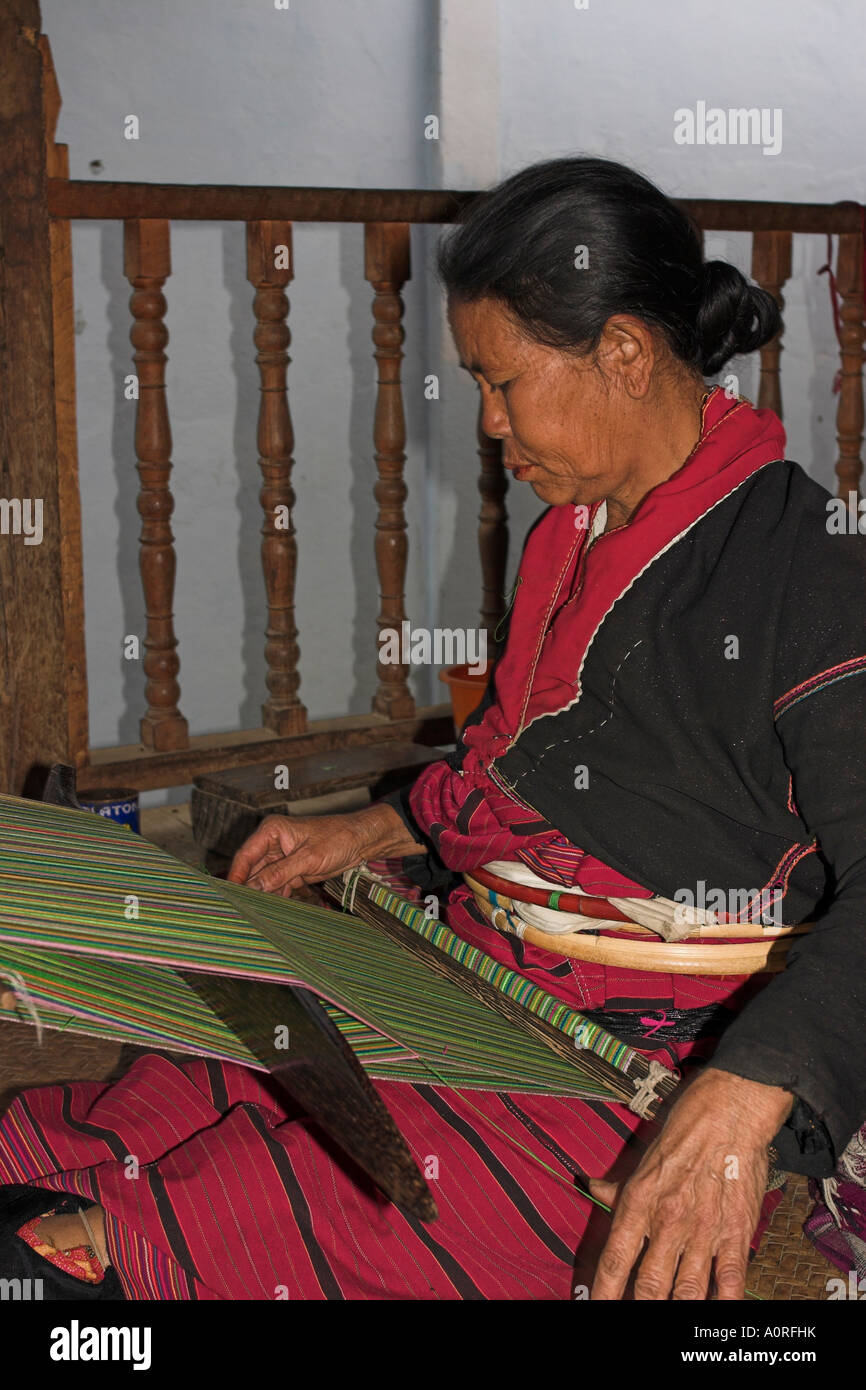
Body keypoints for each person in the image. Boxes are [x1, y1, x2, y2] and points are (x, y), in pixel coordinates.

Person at [1, 156, 864, 1301]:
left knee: (145, 1245)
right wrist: (369, 830)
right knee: (156, 1098)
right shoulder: (578, 530)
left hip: (624, 1069)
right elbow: (525, 759)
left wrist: (739, 1099)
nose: (491, 423)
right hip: (481, 971)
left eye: (502, 381)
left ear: (622, 352)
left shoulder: (808, 567)